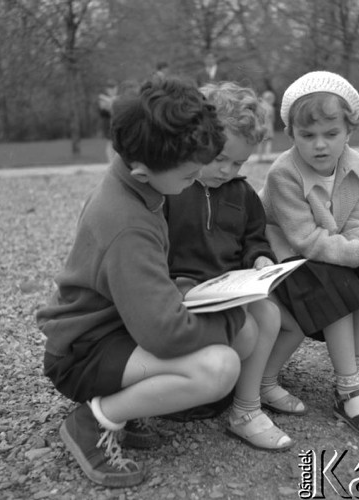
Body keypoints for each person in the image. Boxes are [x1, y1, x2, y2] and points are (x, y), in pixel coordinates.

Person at [36, 77, 248, 488]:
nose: (196, 178)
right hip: (83, 351)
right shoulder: (127, 223)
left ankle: (122, 407)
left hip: (112, 328)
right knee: (220, 366)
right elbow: (165, 334)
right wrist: (229, 318)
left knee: (223, 344)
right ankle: (94, 421)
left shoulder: (135, 183)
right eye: (189, 174)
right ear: (142, 169)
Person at [259, 71, 359, 442]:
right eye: (307, 135)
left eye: (331, 134)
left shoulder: (355, 164)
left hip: (321, 251)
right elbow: (307, 241)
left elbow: (354, 224)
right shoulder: (284, 173)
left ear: (349, 131)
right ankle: (348, 389)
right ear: (291, 133)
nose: (319, 145)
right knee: (340, 282)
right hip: (285, 258)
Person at [165, 81, 297, 451]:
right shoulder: (173, 189)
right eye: (219, 158)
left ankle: (246, 409)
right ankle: (209, 394)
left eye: (238, 162)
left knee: (269, 316)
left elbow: (253, 237)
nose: (226, 170)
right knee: (249, 324)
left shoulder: (241, 194)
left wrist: (261, 258)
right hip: (179, 291)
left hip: (228, 287)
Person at [256, 90, 276, 161]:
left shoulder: (259, 107)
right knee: (268, 142)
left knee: (260, 143)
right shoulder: (271, 108)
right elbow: (273, 119)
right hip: (268, 128)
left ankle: (259, 158)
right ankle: (267, 157)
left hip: (260, 127)